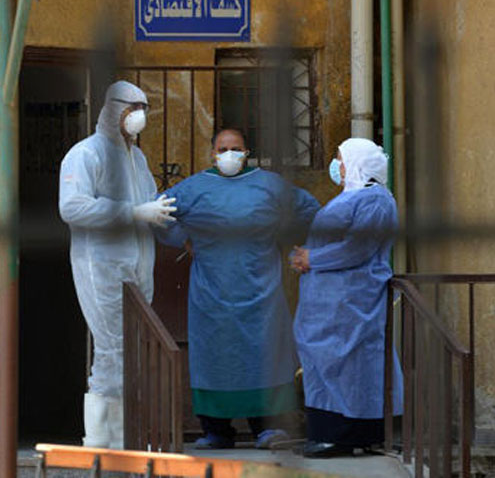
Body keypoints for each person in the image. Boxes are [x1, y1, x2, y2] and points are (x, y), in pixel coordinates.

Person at [156, 129, 320, 450]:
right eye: (222, 148)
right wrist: (183, 238)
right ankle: (216, 430)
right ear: (212, 153)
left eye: (235, 148)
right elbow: (158, 213)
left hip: (261, 290)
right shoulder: (194, 187)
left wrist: (287, 238)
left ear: (247, 153)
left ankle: (268, 428)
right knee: (214, 359)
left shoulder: (270, 184)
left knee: (265, 356)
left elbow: (309, 208)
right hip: (211, 292)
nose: (229, 154)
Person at [59, 81, 177, 449]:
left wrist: (158, 212)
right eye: (132, 107)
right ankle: (102, 440)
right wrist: (132, 212)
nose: (139, 115)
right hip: (102, 266)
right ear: (113, 109)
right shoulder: (85, 154)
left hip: (138, 266)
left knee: (134, 351)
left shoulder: (136, 157)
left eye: (143, 107)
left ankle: (126, 436)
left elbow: (148, 203)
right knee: (112, 350)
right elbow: (72, 207)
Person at [289, 138, 403, 458]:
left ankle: (344, 435)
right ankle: (328, 432)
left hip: (351, 300)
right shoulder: (350, 197)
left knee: (348, 363)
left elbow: (358, 248)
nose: (336, 166)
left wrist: (313, 258)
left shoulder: (376, 200)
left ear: (358, 162)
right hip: (328, 302)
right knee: (326, 363)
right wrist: (304, 256)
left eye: (340, 159)